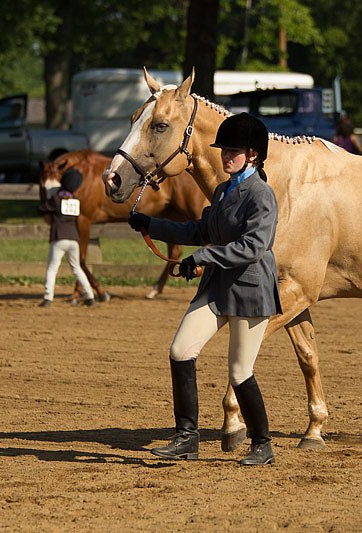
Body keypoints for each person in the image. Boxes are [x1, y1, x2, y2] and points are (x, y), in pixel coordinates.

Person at [128, 113, 282, 466]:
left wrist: (204, 257)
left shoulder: (261, 194)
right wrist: (152, 225)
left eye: (234, 151)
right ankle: (186, 437)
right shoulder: (224, 189)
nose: (226, 156)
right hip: (217, 288)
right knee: (181, 350)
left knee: (240, 371)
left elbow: (253, 246)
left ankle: (263, 444)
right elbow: (201, 231)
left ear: (254, 154)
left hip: (249, 288)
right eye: (224, 150)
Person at [38, 168, 96, 308]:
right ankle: (90, 296)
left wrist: (50, 194)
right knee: (77, 268)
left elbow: (42, 208)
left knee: (52, 268)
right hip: (74, 239)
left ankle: (48, 298)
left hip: (59, 238)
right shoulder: (76, 200)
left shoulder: (56, 199)